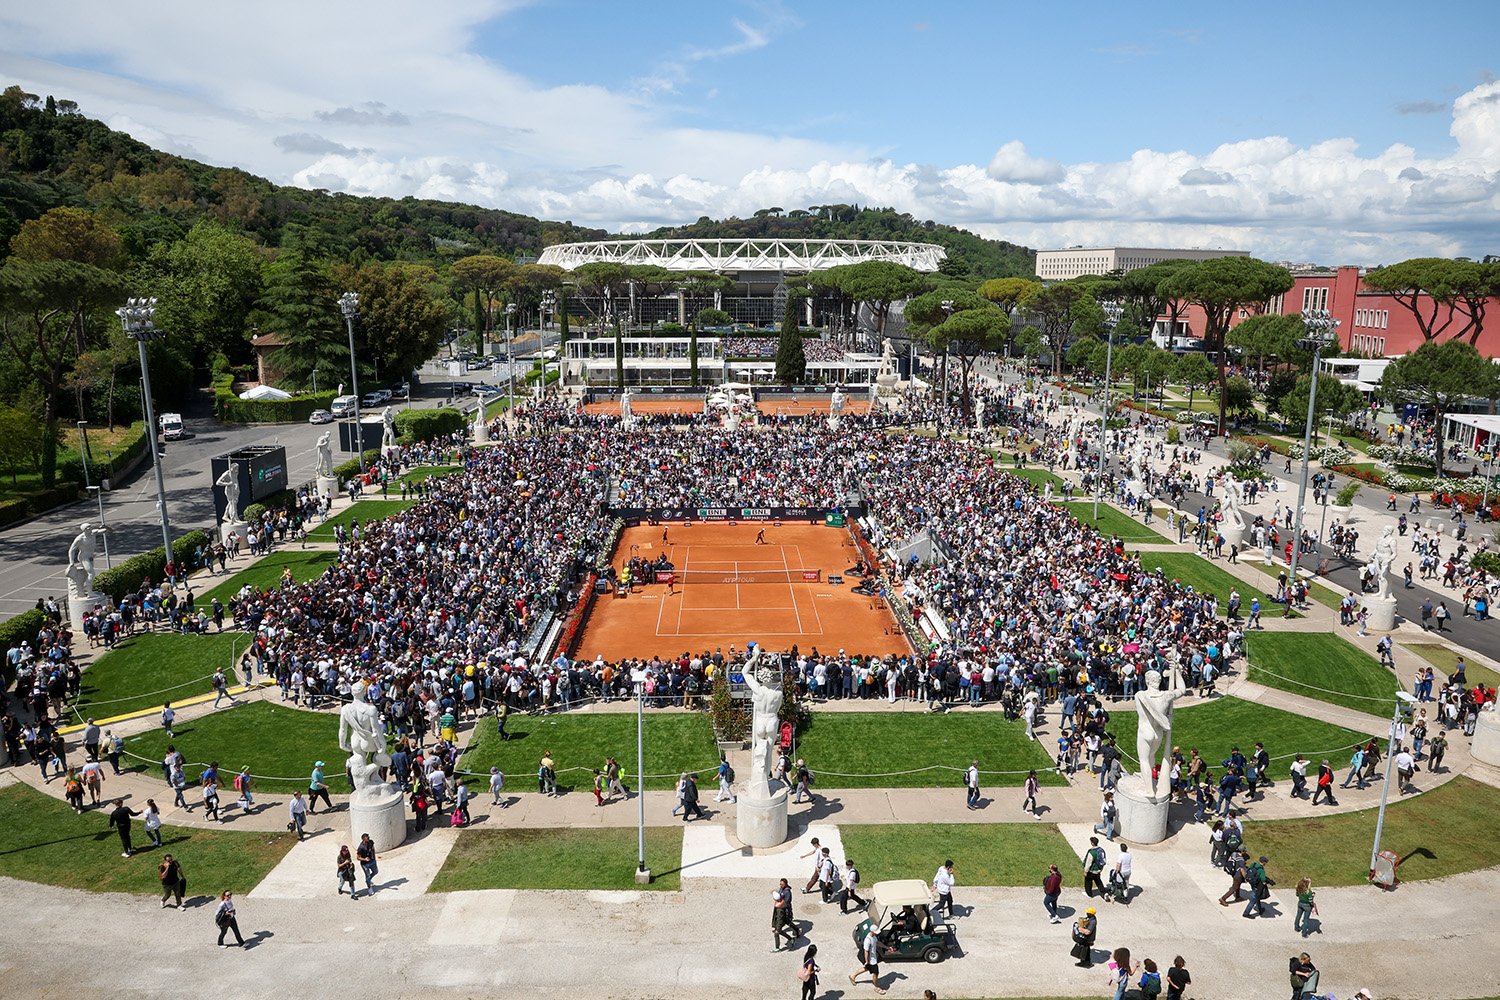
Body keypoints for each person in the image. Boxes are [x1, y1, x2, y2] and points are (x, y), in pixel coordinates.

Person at [850, 921, 886, 994]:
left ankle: (852, 976)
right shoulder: (868, 940)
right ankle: (877, 987)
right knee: (876, 973)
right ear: (872, 931)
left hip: (872, 958)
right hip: (870, 959)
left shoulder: (873, 936)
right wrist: (867, 961)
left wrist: (886, 947)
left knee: (867, 968)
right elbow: (866, 952)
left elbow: (877, 943)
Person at [771, 878, 795, 951]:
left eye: (782, 884)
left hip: (783, 916)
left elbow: (779, 918)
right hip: (783, 916)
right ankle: (791, 939)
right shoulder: (780, 902)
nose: (781, 886)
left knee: (777, 933)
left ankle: (777, 948)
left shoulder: (780, 908)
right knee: (780, 931)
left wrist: (777, 928)